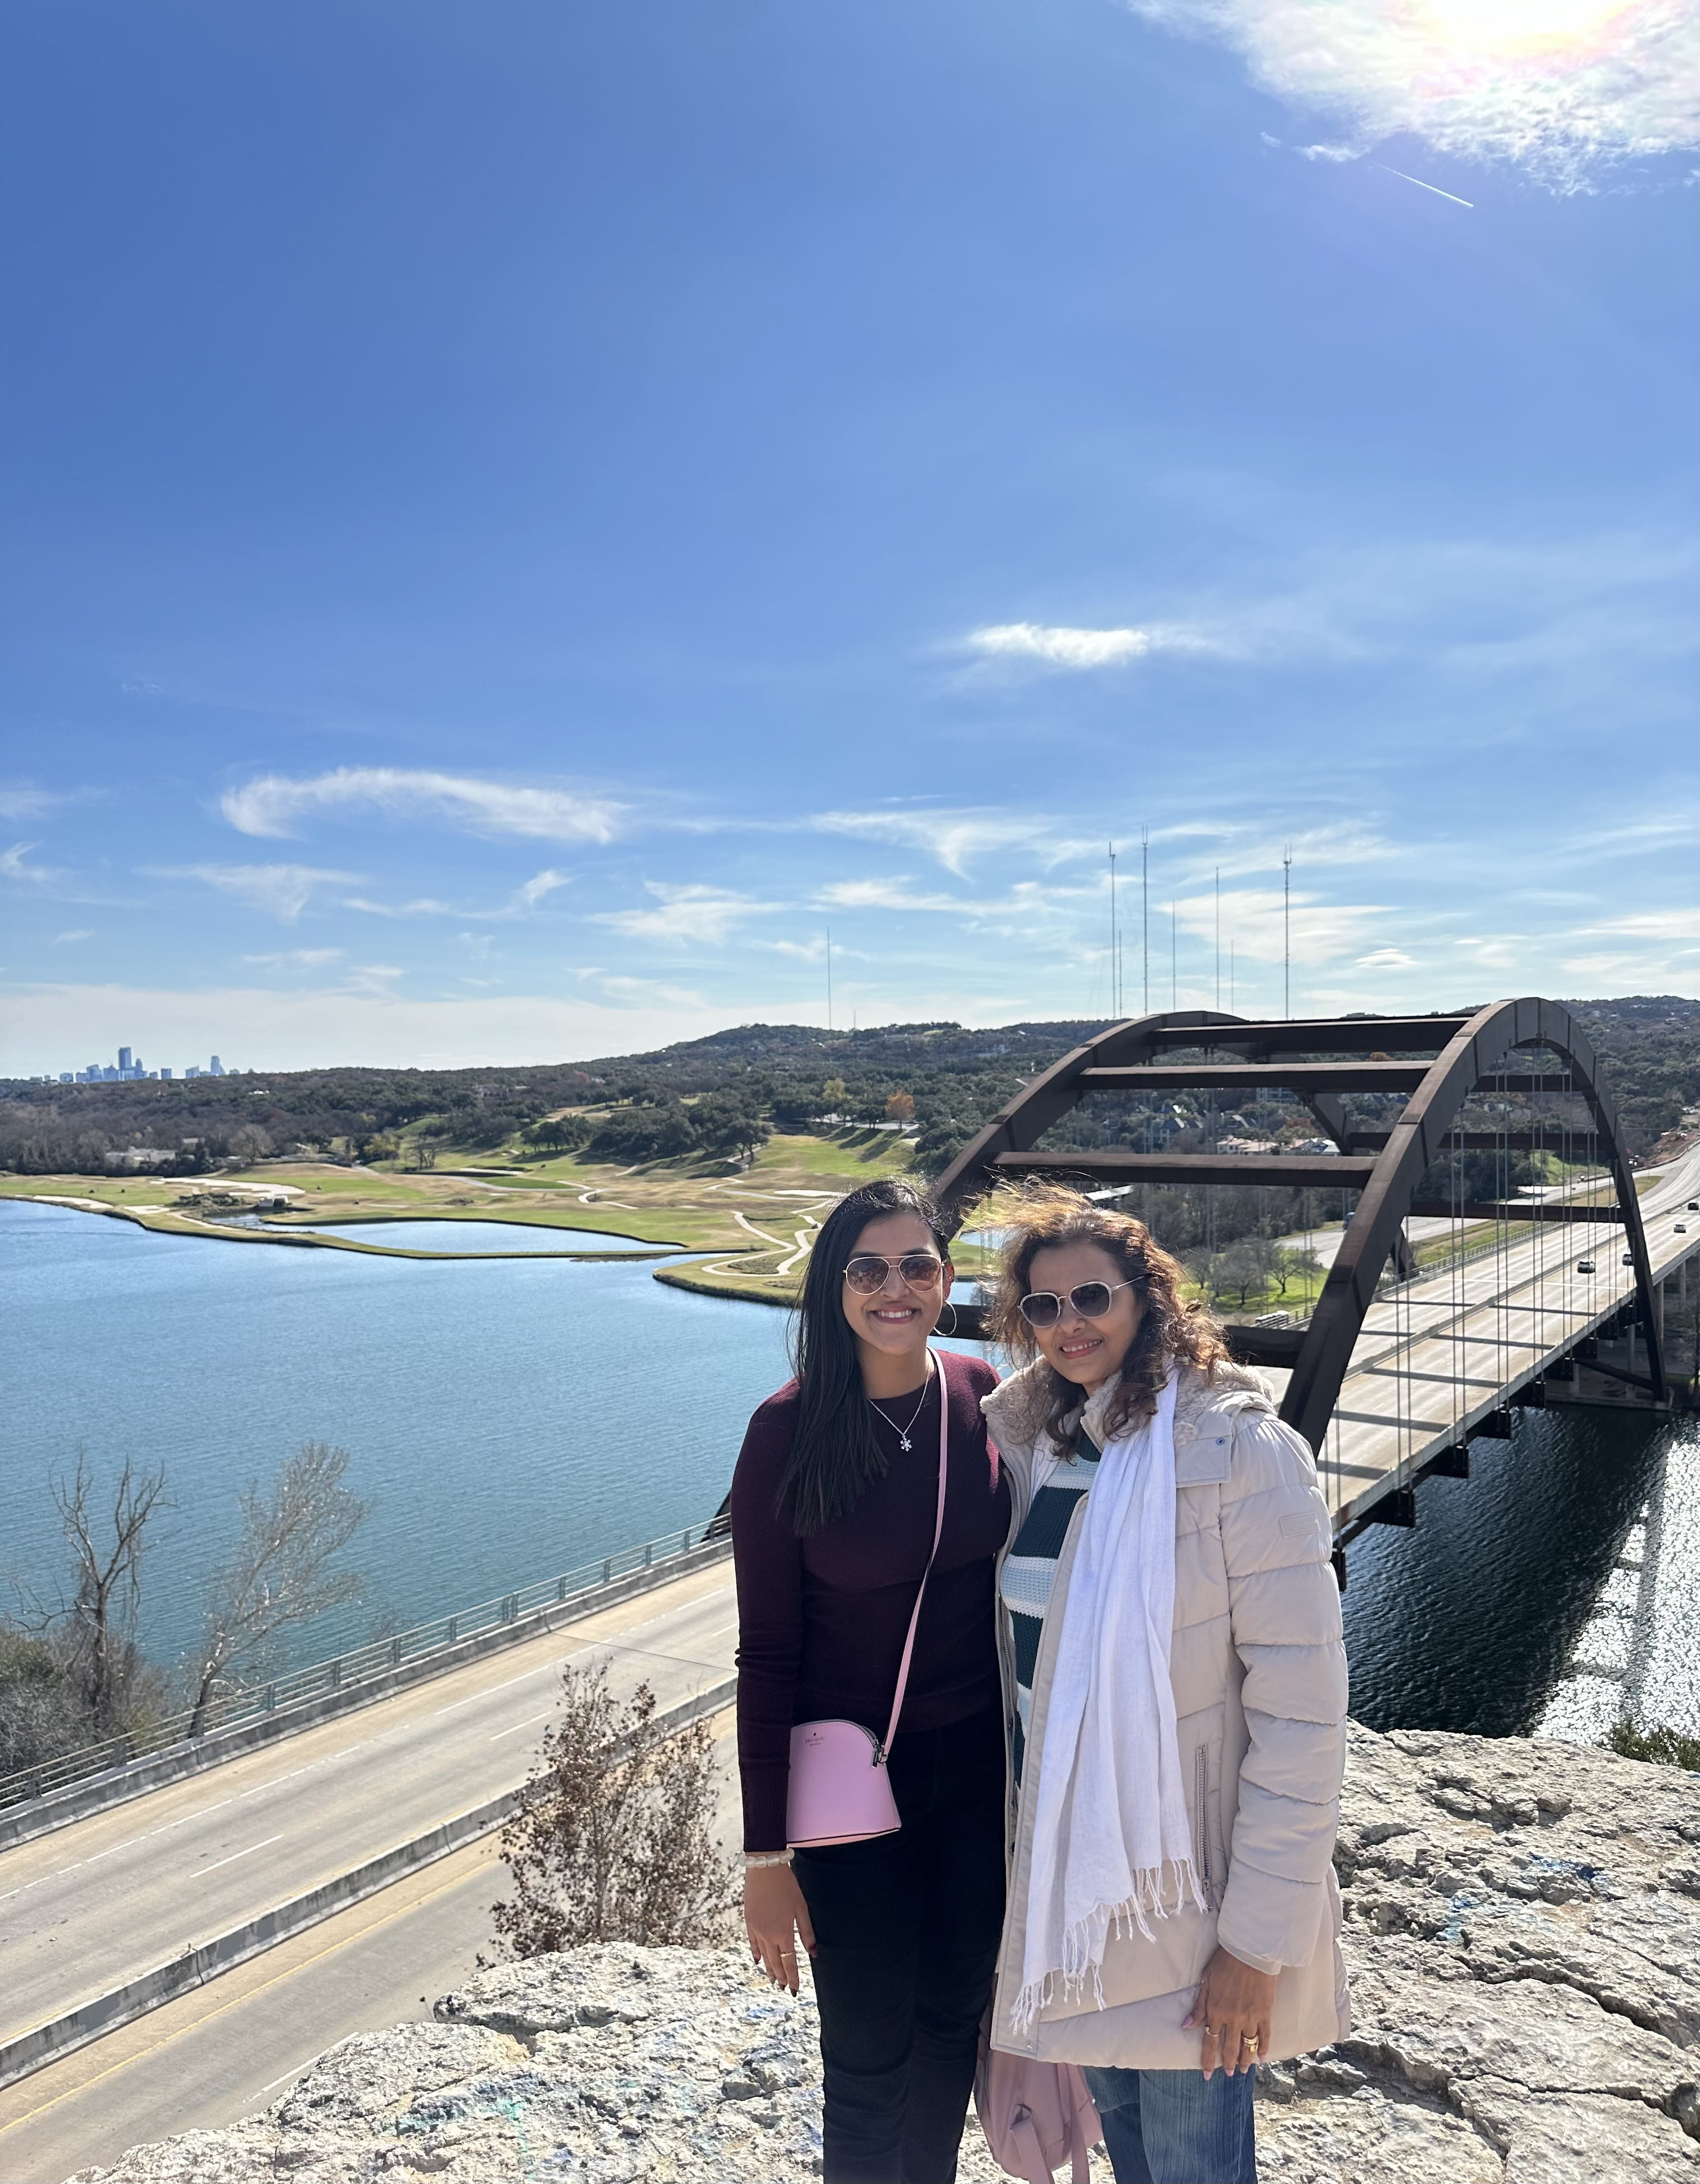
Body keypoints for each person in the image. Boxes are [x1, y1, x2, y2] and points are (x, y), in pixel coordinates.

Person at [981, 1187, 1350, 2184]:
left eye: (1090, 1296)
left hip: (1187, 1903)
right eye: (1042, 1307)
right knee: (1133, 2156)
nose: (1067, 1325)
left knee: (1193, 2169)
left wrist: (1256, 1946)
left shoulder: (1239, 1454)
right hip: (1079, 1889)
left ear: (1147, 1299)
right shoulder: (1041, 1448)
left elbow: (1303, 1719)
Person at [731, 1178, 1014, 2184]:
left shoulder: (980, 1392)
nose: (893, 1289)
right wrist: (767, 1860)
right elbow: (764, 1656)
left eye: (916, 1266)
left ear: (943, 1279)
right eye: (866, 1268)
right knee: (864, 2056)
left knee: (950, 2024)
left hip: (976, 1774)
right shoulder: (786, 1432)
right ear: (832, 1286)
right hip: (848, 1789)